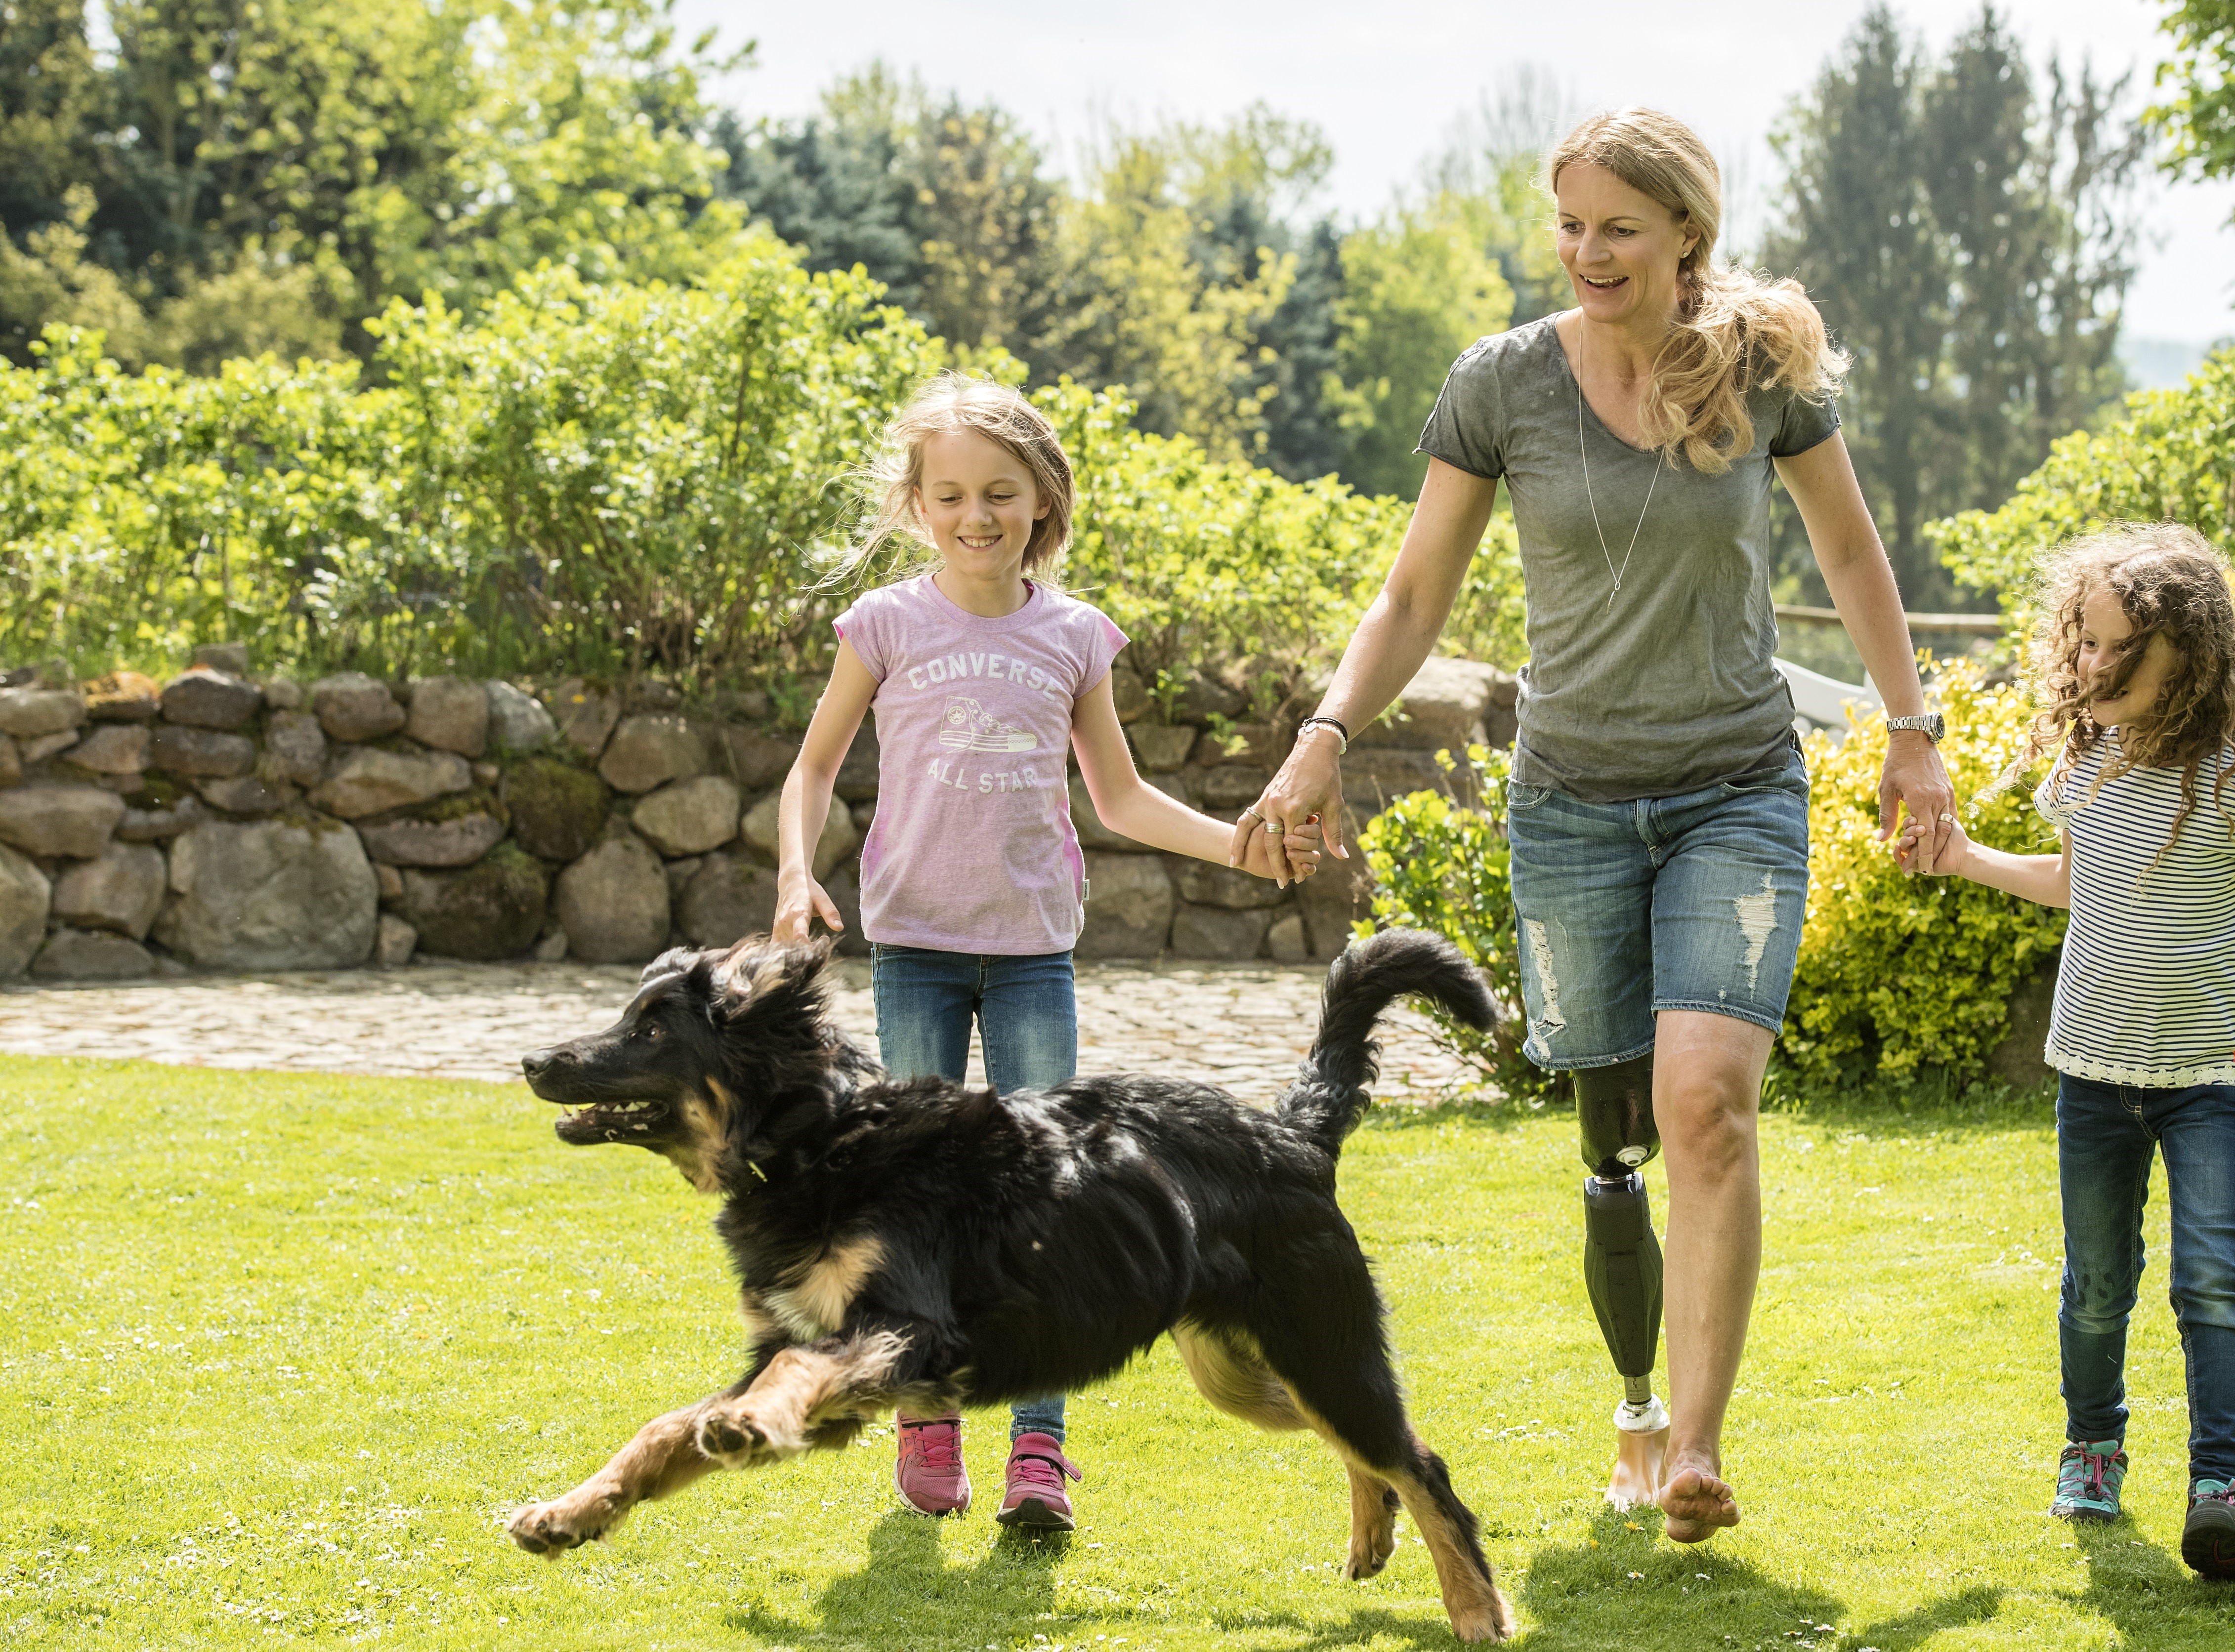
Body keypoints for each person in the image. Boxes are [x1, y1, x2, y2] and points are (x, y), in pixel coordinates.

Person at [1232, 107, 1954, 1543]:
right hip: (1568, 801)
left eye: (1617, 226)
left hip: (1734, 784)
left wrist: (1911, 729)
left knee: (1705, 1099)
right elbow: (1411, 592)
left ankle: (1692, 1444)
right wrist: (1322, 736)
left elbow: (1850, 547)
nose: (1586, 251)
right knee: (1614, 1125)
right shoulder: (1499, 383)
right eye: (1569, 223)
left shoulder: (1760, 375)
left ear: (1687, 231)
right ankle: (1631, 1398)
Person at [772, 372, 1317, 1531]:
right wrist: (792, 870)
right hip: (915, 949)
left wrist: (1236, 848)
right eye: (953, 494)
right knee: (914, 1205)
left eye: (1001, 494)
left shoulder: (1071, 636)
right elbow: (812, 767)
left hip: (1029, 958)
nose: (977, 515)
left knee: (1045, 1204)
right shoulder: (884, 625)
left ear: (1041, 503)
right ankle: (924, 1418)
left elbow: (1117, 796)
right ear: (918, 504)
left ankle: (1039, 1453)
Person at [1897, 523, 2235, 1581]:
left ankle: (2220, 1490)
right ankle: (2092, 1449)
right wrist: (1962, 857)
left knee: (2210, 1284)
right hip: (2094, 1077)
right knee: (2096, 1283)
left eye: (2120, 649)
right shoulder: (2085, 762)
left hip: (2211, 1082)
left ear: (2187, 660)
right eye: (2085, 642)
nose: (2093, 665)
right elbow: (2073, 883)